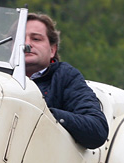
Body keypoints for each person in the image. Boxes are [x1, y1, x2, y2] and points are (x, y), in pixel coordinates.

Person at [25, 13, 108, 149]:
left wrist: (47, 115)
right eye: (19, 40)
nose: (27, 44)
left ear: (52, 49)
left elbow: (97, 129)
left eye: (36, 39)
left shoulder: (65, 76)